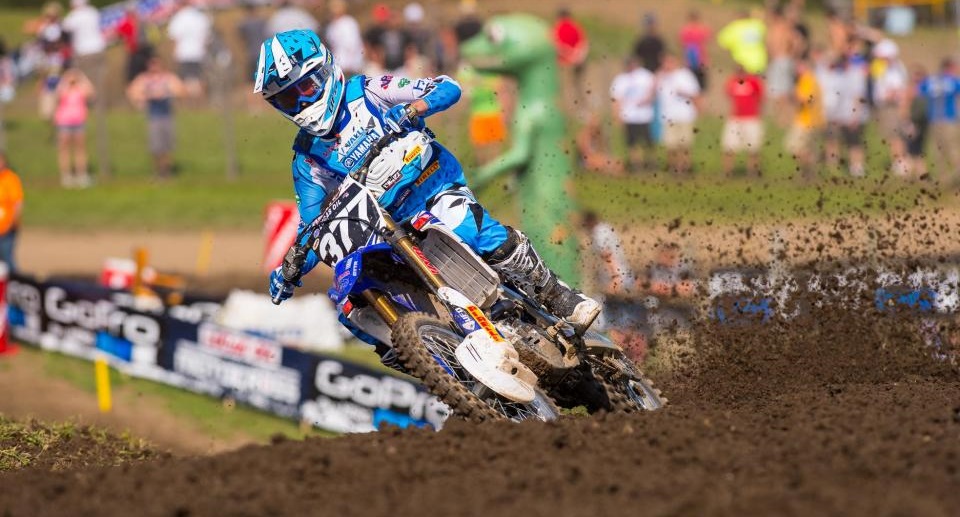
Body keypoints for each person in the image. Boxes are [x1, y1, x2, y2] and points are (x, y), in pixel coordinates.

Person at [255, 30, 600, 370]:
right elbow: (314, 225)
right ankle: (430, 365)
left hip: (434, 189)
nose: (300, 103)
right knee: (351, 300)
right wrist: (290, 267)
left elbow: (447, 87)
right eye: (287, 99)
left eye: (304, 88)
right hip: (386, 228)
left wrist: (414, 109)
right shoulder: (308, 157)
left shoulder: (370, 90)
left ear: (325, 70)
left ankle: (558, 296)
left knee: (467, 227)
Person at [582, 211, 647, 362]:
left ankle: (624, 356)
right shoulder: (605, 229)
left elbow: (608, 255)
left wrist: (615, 278)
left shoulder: (598, 232)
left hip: (617, 280)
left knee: (611, 319)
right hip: (622, 278)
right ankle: (630, 357)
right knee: (622, 321)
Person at [127, 57, 185, 180]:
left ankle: (167, 171)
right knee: (155, 146)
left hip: (167, 115)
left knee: (167, 145)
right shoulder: (144, 79)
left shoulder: (169, 78)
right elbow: (132, 92)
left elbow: (181, 90)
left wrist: (167, 92)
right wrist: (147, 96)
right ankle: (158, 171)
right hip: (154, 117)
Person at [822, 55, 869, 178]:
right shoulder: (837, 75)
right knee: (833, 140)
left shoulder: (856, 75)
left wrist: (855, 116)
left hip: (852, 116)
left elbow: (858, 97)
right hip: (839, 116)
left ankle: (857, 168)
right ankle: (833, 167)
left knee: (854, 143)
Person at [657, 51, 701, 175]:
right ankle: (673, 167)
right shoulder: (662, 77)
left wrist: (697, 109)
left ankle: (685, 167)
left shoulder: (685, 75)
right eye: (665, 62)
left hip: (684, 115)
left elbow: (695, 94)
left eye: (670, 61)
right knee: (670, 144)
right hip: (668, 115)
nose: (667, 64)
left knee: (684, 144)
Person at [609, 56, 656, 172]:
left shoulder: (646, 76)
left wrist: (649, 99)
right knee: (632, 143)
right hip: (629, 116)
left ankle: (650, 163)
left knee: (648, 142)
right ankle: (636, 164)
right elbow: (616, 98)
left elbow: (654, 89)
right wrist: (616, 115)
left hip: (645, 116)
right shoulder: (621, 79)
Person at [918, 58, 960, 186]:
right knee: (952, 149)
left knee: (938, 150)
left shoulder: (931, 81)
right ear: (949, 68)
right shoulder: (953, 81)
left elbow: (919, 92)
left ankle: (942, 179)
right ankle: (952, 178)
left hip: (934, 119)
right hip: (949, 119)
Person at [870, 39, 909, 176]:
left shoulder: (897, 69)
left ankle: (900, 162)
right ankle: (898, 161)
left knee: (895, 135)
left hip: (892, 106)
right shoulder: (882, 67)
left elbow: (899, 89)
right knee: (892, 136)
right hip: (885, 106)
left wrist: (892, 95)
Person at [54, 67, 94, 188]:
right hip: (64, 123)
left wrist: (81, 77)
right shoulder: (64, 88)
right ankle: (66, 176)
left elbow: (91, 91)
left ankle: (82, 174)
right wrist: (65, 79)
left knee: (80, 149)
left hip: (79, 122)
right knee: (64, 149)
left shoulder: (80, 89)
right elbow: (58, 94)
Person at [722, 66, 764, 177]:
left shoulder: (753, 82)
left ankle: (753, 171)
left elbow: (761, 98)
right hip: (735, 118)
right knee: (729, 146)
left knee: (753, 148)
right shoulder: (732, 82)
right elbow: (728, 94)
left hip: (751, 118)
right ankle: (728, 172)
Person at [785, 58, 824, 180]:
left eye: (799, 65)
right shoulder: (809, 79)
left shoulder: (807, 80)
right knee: (805, 148)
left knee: (793, 147)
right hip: (809, 120)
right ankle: (808, 172)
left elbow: (805, 100)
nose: (797, 68)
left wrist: (792, 95)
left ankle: (808, 170)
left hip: (806, 121)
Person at [167, 0, 212, 98]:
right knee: (199, 78)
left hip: (184, 53)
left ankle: (191, 101)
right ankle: (200, 99)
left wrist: (173, 53)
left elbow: (174, 38)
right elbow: (207, 38)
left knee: (187, 79)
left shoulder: (178, 18)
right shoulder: (201, 17)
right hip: (199, 53)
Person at [553, 8, 589, 110]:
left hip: (564, 64)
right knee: (579, 87)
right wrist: (577, 56)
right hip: (578, 62)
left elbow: (555, 46)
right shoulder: (576, 27)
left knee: (565, 88)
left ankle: (568, 111)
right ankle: (582, 109)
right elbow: (584, 45)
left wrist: (569, 55)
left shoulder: (557, 28)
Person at [717, 9, 767, 75]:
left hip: (742, 65)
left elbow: (722, 42)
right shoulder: (757, 25)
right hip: (759, 63)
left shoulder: (734, 27)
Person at [903, 64, 930, 179]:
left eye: (919, 74)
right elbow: (904, 106)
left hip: (923, 123)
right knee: (912, 149)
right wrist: (908, 123)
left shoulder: (926, 88)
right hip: (913, 123)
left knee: (918, 149)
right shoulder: (911, 89)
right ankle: (912, 173)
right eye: (915, 74)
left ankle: (919, 173)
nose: (917, 77)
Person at [325, 0, 364, 76]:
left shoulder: (348, 23)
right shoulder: (330, 26)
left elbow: (353, 45)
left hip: (349, 67)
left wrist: (351, 64)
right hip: (336, 66)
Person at [116, 1, 152, 84]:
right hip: (143, 50)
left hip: (137, 51)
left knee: (135, 75)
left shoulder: (128, 22)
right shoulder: (141, 20)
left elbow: (118, 34)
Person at [0, 153, 23, 272]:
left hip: (7, 228)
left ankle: (16, 281)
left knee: (7, 260)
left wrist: (13, 221)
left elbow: (18, 203)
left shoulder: (11, 178)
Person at [679, 9, 711, 90]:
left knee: (689, 85)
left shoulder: (685, 30)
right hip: (701, 60)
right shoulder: (702, 29)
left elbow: (682, 45)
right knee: (701, 86)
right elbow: (706, 42)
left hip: (689, 61)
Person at [237, 2, 267, 80]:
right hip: (263, 52)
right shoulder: (262, 21)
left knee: (252, 78)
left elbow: (241, 36)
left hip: (251, 53)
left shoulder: (244, 23)